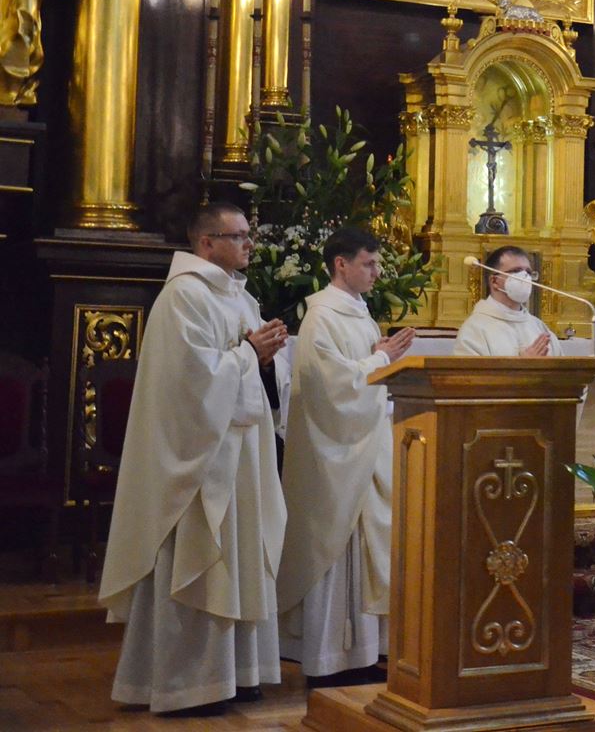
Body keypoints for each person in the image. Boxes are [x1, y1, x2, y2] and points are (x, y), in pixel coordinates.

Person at [99, 203, 287, 714]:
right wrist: (251, 353)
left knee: (241, 554)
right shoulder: (184, 297)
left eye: (250, 234)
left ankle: (238, 673)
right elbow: (191, 383)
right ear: (206, 242)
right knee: (201, 559)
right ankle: (187, 683)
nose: (250, 243)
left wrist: (267, 358)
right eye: (239, 235)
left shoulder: (238, 296)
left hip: (240, 454)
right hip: (200, 460)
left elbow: (257, 370)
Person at [278, 226, 415, 683]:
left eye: (377, 264)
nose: (377, 272)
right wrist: (379, 361)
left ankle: (364, 653)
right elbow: (329, 389)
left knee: (369, 549)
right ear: (341, 264)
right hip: (335, 455)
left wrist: (384, 367)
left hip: (365, 449)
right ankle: (327, 659)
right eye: (369, 263)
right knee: (338, 550)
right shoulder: (322, 316)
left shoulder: (359, 313)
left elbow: (366, 377)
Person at [454, 245, 558, 357]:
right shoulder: (474, 329)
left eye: (528, 272)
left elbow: (563, 372)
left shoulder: (539, 326)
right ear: (494, 281)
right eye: (516, 271)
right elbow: (470, 374)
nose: (525, 277)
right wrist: (522, 367)